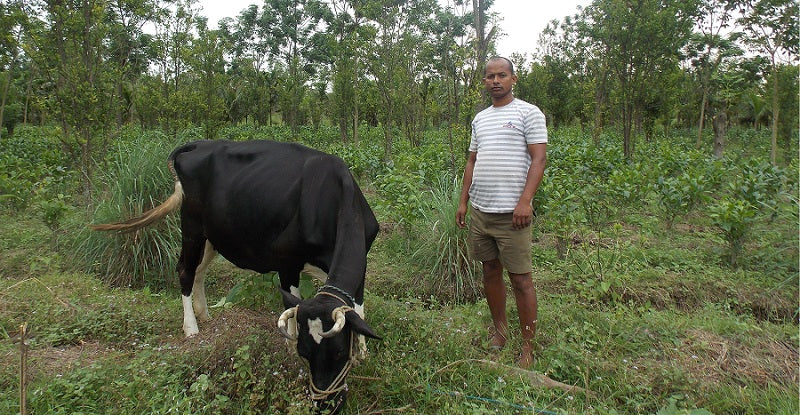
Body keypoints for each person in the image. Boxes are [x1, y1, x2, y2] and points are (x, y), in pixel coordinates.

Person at [456, 56, 547, 369]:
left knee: (521, 280)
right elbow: (472, 161)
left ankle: (527, 347)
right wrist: (463, 201)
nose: (496, 81)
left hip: (513, 215)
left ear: (513, 78)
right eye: (490, 76)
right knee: (490, 271)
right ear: (484, 81)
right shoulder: (480, 119)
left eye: (502, 75)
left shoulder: (528, 113)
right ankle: (500, 331)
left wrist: (525, 201)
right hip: (482, 211)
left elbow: (538, 160)